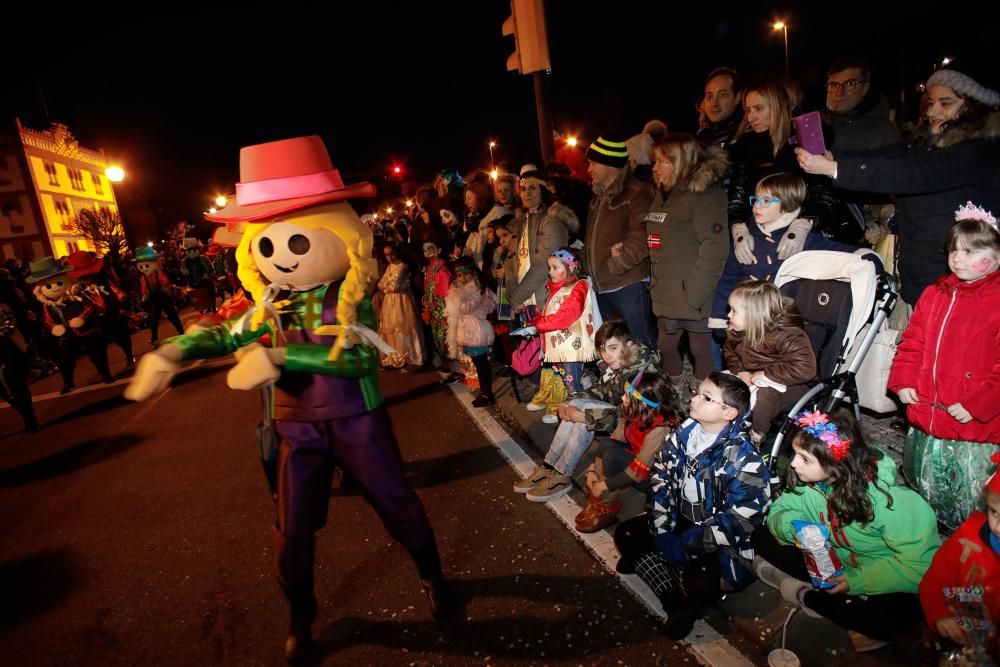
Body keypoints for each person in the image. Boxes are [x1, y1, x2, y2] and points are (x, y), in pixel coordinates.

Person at [125, 136, 450, 663]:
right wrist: (173, 351)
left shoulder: (347, 299)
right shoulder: (272, 305)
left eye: (298, 243)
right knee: (292, 532)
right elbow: (227, 334)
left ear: (341, 238)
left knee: (398, 507)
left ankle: (432, 574)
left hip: (357, 420)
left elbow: (358, 360)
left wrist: (283, 361)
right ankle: (301, 615)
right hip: (296, 430)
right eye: (269, 247)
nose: (283, 259)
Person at [796, 67, 1000, 306]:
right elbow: (886, 157)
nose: (933, 110)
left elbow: (917, 173)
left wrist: (834, 168)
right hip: (923, 274)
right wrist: (832, 156)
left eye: (946, 103)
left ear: (975, 108)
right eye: (931, 102)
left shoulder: (982, 149)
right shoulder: (924, 142)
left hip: (968, 280)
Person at [752, 409, 940, 654]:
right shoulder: (812, 483)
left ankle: (804, 594)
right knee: (760, 537)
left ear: (837, 465)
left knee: (898, 617)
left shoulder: (891, 504)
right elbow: (781, 510)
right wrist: (794, 530)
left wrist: (856, 581)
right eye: (796, 454)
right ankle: (832, 603)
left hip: (876, 574)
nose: (794, 463)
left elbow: (921, 566)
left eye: (805, 459)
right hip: (829, 565)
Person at [615, 372, 769, 639]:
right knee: (626, 535)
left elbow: (740, 519)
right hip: (681, 519)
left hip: (716, 538)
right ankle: (675, 600)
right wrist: (662, 527)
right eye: (698, 392)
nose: (695, 399)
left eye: (706, 398)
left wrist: (692, 543)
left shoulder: (744, 458)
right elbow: (660, 480)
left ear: (729, 413)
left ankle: (681, 589)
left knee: (703, 580)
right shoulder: (682, 435)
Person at [889, 203, 1000, 529]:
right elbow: (913, 341)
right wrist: (905, 379)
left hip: (972, 426)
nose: (958, 259)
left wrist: (978, 403)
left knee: (970, 499)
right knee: (929, 488)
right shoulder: (935, 294)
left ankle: (975, 548)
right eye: (954, 250)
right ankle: (930, 537)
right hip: (929, 416)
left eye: (970, 252)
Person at [515, 319, 661, 501]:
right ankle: (549, 465)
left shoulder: (644, 371)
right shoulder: (627, 361)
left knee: (585, 412)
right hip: (626, 420)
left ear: (629, 345)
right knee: (579, 404)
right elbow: (605, 392)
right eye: (603, 350)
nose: (607, 356)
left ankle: (562, 474)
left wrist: (584, 416)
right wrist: (568, 401)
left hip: (643, 429)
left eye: (613, 348)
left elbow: (628, 417)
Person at [711, 172, 879, 328]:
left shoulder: (800, 241)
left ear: (787, 206)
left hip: (780, 326)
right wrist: (719, 317)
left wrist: (866, 257)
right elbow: (729, 280)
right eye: (755, 199)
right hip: (744, 323)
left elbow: (836, 253)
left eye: (766, 201)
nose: (756, 206)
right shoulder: (746, 240)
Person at [727, 76, 853, 256]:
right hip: (760, 237)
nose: (751, 117)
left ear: (777, 106)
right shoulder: (745, 149)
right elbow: (737, 196)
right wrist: (738, 228)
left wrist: (802, 225)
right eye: (748, 110)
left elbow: (822, 192)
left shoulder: (804, 142)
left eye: (759, 108)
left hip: (806, 239)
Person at [647, 132, 730, 385]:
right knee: (666, 344)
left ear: (683, 161)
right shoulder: (663, 194)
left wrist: (693, 293)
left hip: (694, 292)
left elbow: (715, 248)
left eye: (663, 161)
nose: (655, 167)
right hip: (666, 290)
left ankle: (704, 396)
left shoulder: (705, 194)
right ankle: (675, 389)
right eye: (655, 160)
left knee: (699, 349)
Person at [574, 369, 683, 534]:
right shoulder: (636, 412)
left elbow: (638, 472)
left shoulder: (660, 429)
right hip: (639, 466)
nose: (622, 398)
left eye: (627, 395)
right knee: (606, 445)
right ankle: (598, 498)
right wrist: (592, 470)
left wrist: (603, 485)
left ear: (643, 402)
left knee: (613, 455)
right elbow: (612, 441)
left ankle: (605, 506)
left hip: (656, 480)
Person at [919, 451, 999, 663]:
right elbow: (935, 580)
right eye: (994, 512)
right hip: (966, 637)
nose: (998, 526)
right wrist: (939, 615)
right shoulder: (969, 534)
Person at [583, 135, 657, 346]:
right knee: (616, 349)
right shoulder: (598, 196)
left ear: (610, 164)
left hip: (628, 284)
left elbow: (644, 234)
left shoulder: (637, 193)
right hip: (602, 286)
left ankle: (652, 380)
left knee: (641, 344)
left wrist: (619, 262)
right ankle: (626, 380)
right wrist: (584, 263)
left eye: (593, 163)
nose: (589, 169)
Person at [723, 279, 817, 445]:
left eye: (734, 311)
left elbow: (805, 368)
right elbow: (731, 354)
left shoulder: (787, 335)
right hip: (753, 375)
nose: (729, 315)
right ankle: (723, 421)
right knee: (721, 382)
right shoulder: (736, 333)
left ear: (754, 315)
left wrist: (767, 374)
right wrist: (741, 371)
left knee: (766, 393)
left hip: (793, 383)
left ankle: (757, 434)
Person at [518, 248, 599, 423]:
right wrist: (532, 323)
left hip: (571, 348)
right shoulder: (556, 288)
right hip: (560, 347)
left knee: (572, 387)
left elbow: (565, 316)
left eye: (555, 267)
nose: (550, 272)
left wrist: (537, 326)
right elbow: (549, 314)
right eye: (550, 267)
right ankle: (571, 414)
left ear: (571, 267)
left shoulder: (579, 286)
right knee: (565, 381)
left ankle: (579, 419)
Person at [26, 256, 113, 394]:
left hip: (86, 331)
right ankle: (68, 382)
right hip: (67, 336)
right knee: (65, 360)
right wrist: (53, 327)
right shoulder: (48, 305)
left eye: (58, 283)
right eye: (48, 286)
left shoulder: (76, 296)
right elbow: (47, 319)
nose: (54, 288)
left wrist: (82, 317)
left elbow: (90, 306)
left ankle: (106, 374)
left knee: (97, 354)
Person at [506, 166, 577, 311]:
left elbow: (545, 263)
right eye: (524, 189)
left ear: (543, 191)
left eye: (533, 188)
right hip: (525, 302)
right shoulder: (521, 223)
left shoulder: (553, 221)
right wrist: (513, 294)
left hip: (546, 299)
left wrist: (516, 297)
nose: (527, 193)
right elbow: (511, 261)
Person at [65, 251, 135, 372]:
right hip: (94, 319)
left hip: (111, 314)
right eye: (81, 277)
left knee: (120, 337)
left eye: (85, 277)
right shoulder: (78, 288)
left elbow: (117, 296)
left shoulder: (104, 282)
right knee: (97, 346)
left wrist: (117, 309)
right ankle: (104, 369)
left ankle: (129, 357)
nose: (83, 280)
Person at [445, 257, 497, 407]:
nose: (462, 278)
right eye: (459, 275)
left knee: (482, 364)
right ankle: (485, 391)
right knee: (479, 363)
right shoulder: (465, 288)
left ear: (473, 273)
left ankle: (487, 394)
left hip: (476, 331)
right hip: (469, 331)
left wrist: (455, 293)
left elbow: (466, 307)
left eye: (465, 274)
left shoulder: (477, 288)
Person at [824, 57, 900, 152]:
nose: (839, 93)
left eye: (850, 84)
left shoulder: (884, 133)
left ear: (865, 88)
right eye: (834, 85)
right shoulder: (820, 128)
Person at [377, 243, 424, 370]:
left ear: (397, 253)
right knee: (392, 328)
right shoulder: (389, 267)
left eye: (392, 254)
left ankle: (410, 357)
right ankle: (395, 357)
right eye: (387, 255)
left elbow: (395, 286)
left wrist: (387, 285)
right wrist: (387, 285)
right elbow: (380, 285)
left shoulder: (402, 266)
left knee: (404, 327)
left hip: (402, 300)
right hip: (390, 301)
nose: (390, 258)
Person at [133, 245, 184, 345]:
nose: (144, 268)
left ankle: (181, 331)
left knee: (172, 315)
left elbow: (166, 282)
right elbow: (144, 288)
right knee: (153, 318)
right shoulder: (143, 277)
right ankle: (154, 337)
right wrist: (144, 296)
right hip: (153, 299)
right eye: (141, 266)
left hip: (163, 297)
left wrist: (165, 288)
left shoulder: (159, 273)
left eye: (146, 266)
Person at [0, 303, 39, 432]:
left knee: (16, 385)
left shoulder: (2, 307)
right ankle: (22, 409)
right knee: (6, 392)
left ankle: (30, 420)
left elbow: (10, 324)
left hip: (6, 348)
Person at [421, 238, 453, 377]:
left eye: (430, 248)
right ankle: (446, 361)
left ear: (439, 250)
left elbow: (445, 291)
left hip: (442, 306)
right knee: (438, 335)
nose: (427, 252)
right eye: (424, 250)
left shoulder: (441, 268)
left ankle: (449, 362)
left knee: (444, 334)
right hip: (434, 306)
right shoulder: (430, 268)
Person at [697, 67, 744, 149]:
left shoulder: (747, 136)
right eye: (709, 96)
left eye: (723, 95)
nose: (714, 103)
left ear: (737, 98)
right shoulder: (702, 138)